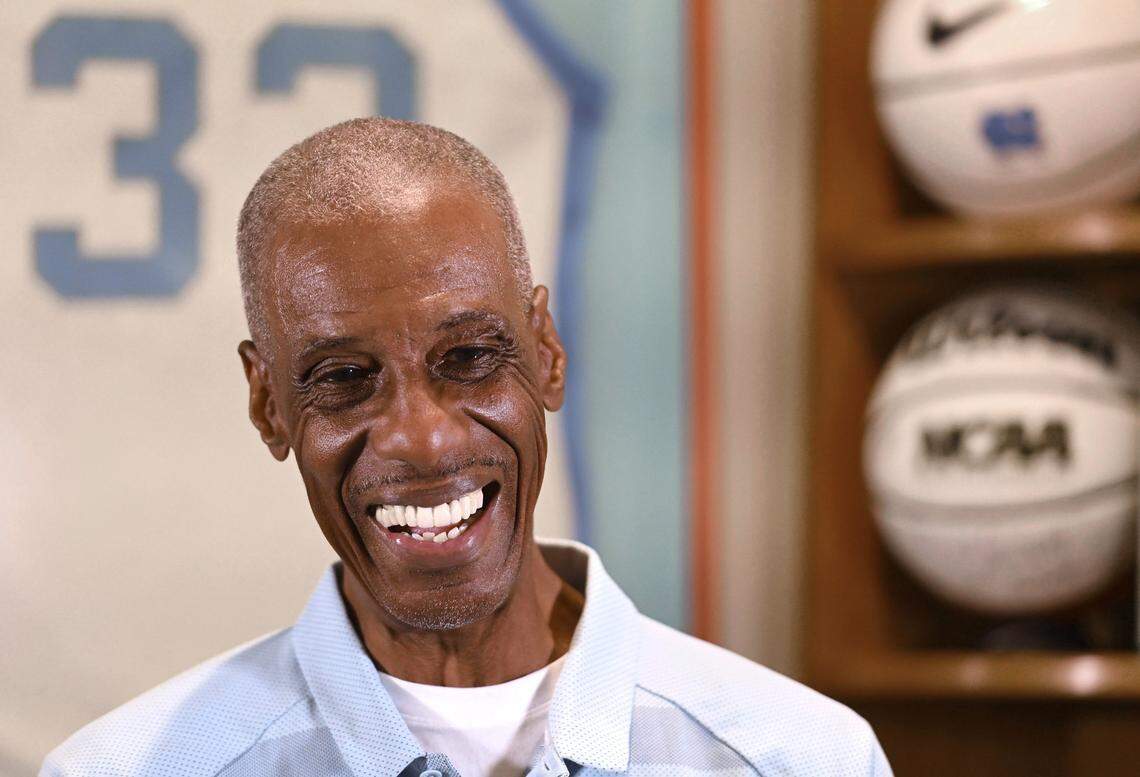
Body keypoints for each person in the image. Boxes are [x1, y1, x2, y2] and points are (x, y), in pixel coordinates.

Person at [41, 118, 891, 777]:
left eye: (470, 359)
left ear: (547, 352)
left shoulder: (798, 758)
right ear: (267, 403)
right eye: (343, 376)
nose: (424, 436)